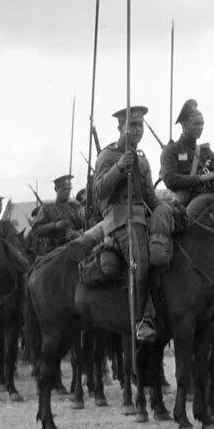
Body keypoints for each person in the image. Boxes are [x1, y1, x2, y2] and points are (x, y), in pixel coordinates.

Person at [94, 105, 160, 343]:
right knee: (138, 262)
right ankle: (142, 319)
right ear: (121, 127)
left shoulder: (142, 159)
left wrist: (166, 209)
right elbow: (98, 191)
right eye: (132, 125)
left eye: (140, 125)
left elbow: (151, 197)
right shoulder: (108, 155)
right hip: (119, 218)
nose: (137, 130)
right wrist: (120, 167)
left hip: (142, 215)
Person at [160, 100, 214, 217]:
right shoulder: (171, 151)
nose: (200, 127)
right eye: (196, 124)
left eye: (202, 124)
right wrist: (201, 178)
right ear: (184, 125)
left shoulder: (206, 151)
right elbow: (170, 180)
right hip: (187, 202)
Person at [29, 174, 84, 256]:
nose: (67, 192)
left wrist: (77, 233)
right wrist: (55, 225)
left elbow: (84, 225)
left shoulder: (75, 207)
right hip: (54, 252)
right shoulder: (47, 208)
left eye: (69, 189)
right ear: (56, 189)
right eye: (64, 189)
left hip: (74, 249)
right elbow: (36, 230)